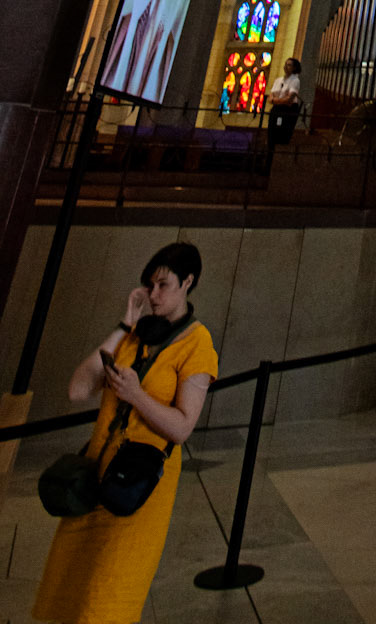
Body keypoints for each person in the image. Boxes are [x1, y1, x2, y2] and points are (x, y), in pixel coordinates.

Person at [34, 242, 218, 624]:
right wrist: (123, 323)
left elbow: (183, 427)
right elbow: (77, 390)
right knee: (69, 591)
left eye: (163, 285)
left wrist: (136, 396)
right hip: (95, 474)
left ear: (188, 282)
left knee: (108, 598)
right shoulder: (136, 335)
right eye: (149, 286)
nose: (153, 295)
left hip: (138, 487)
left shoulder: (198, 344)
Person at [266, 57, 304, 155]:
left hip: (287, 111)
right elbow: (271, 96)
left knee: (282, 135)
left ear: (294, 68)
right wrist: (278, 100)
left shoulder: (295, 80)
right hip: (277, 109)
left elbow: (290, 99)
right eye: (286, 64)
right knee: (271, 135)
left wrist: (275, 100)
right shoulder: (278, 80)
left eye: (289, 65)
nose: (286, 67)